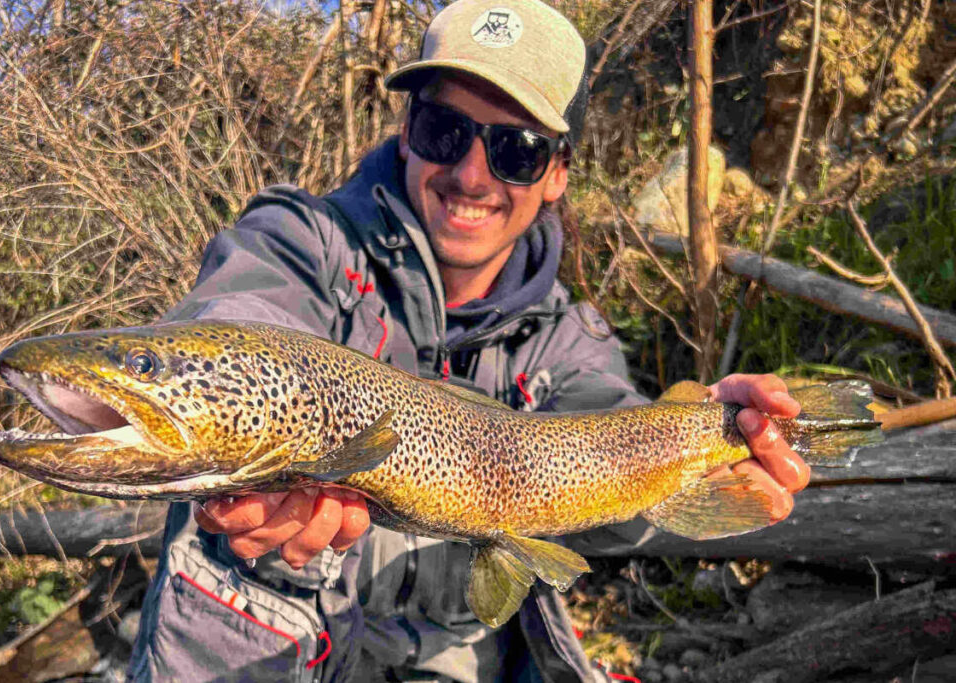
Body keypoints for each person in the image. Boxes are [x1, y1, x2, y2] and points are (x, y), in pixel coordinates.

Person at [128, 0, 810, 679]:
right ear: (406, 132)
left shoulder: (569, 342)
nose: (472, 176)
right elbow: (244, 316)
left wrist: (700, 445)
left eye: (516, 149)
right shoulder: (301, 242)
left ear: (557, 175)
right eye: (444, 129)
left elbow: (611, 433)